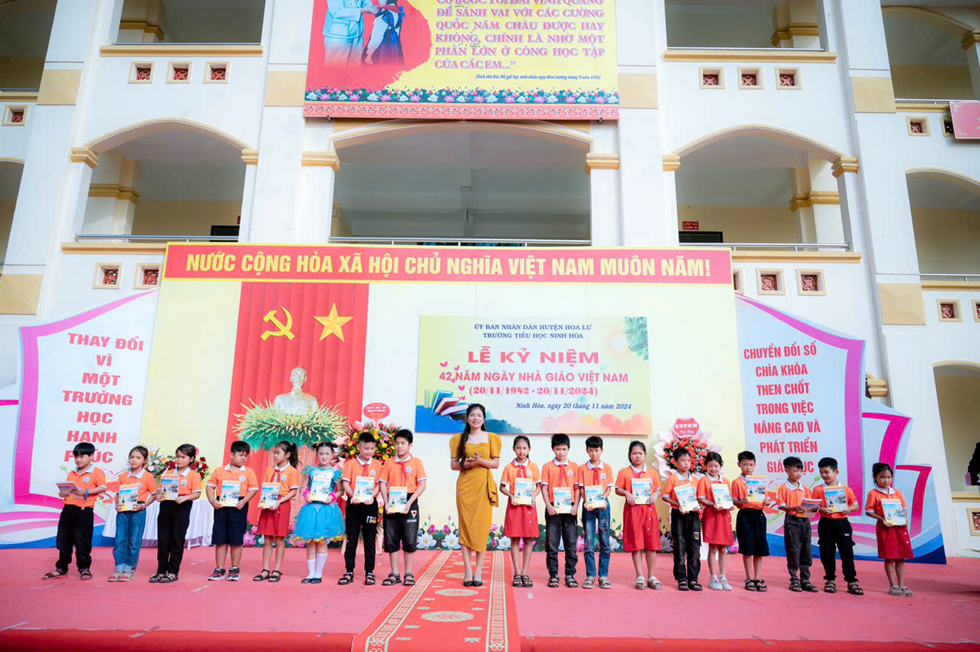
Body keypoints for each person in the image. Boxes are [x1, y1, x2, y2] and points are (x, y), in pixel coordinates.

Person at [449, 404, 501, 587]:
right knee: (465, 527)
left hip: (483, 486)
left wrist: (480, 461)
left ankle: (478, 570)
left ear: (484, 418)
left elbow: (495, 463)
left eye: (479, 415)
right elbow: (454, 465)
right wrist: (467, 464)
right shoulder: (458, 439)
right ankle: (468, 570)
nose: (476, 418)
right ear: (467, 418)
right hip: (465, 487)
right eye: (472, 415)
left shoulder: (492, 438)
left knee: (481, 527)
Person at [42, 442, 107, 581]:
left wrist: (86, 492)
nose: (78, 460)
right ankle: (61, 567)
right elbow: (69, 491)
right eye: (76, 456)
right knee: (63, 540)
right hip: (68, 510)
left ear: (91, 456)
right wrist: (63, 494)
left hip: (84, 512)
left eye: (82, 456)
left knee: (82, 541)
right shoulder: (72, 473)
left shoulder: (96, 472)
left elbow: (102, 487)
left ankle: (84, 568)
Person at [206, 441, 259, 581]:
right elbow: (210, 486)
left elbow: (253, 489)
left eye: (245, 455)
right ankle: (219, 568)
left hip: (238, 506)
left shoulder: (249, 472)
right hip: (221, 506)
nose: (243, 458)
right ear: (231, 455)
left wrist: (244, 501)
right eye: (240, 455)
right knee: (220, 538)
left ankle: (235, 568)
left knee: (236, 538)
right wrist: (212, 500)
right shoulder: (219, 471)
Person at [379, 429, 427, 587]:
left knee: (409, 537)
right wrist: (386, 502)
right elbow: (382, 483)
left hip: (409, 501)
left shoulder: (417, 463)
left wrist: (410, 502)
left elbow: (422, 485)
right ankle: (394, 573)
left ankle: (409, 573)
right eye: (397, 443)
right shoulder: (388, 462)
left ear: (410, 445)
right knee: (391, 537)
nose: (399, 446)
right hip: (392, 501)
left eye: (403, 443)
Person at [294, 442, 345, 585]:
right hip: (311, 509)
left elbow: (341, 491)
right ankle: (310, 573)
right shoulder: (311, 471)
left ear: (332, 455)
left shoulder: (335, 473)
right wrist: (306, 495)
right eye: (321, 454)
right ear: (316, 454)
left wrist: (332, 497)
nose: (324, 457)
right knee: (311, 541)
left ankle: (318, 573)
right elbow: (302, 487)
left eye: (327, 454)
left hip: (326, 510)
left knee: (322, 541)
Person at [811, 456, 862, 595]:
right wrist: (821, 510)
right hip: (826, 523)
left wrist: (848, 509)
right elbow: (813, 507)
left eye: (827, 472)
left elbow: (855, 505)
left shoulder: (846, 490)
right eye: (821, 472)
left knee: (847, 552)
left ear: (836, 472)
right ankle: (830, 580)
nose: (824, 475)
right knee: (827, 552)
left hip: (842, 523)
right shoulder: (818, 489)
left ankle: (851, 581)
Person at [615, 440, 662, 590]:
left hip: (649, 511)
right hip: (633, 511)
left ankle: (652, 576)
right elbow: (617, 489)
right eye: (634, 453)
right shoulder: (624, 472)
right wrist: (626, 493)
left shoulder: (652, 472)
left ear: (645, 455)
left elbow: (658, 489)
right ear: (629, 455)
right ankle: (640, 575)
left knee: (651, 544)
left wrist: (655, 495)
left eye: (640, 453)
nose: (637, 456)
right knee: (636, 544)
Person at [151, 443, 201, 583]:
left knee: (177, 539)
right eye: (177, 456)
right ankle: (161, 570)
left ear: (191, 459)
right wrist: (159, 496)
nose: (179, 460)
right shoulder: (168, 473)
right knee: (163, 538)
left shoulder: (194, 475)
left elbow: (197, 493)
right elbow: (160, 490)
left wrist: (185, 497)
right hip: (166, 506)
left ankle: (173, 571)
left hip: (182, 506)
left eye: (183, 457)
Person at [339, 432, 384, 586]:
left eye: (372, 448)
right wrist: (353, 496)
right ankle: (349, 571)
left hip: (370, 505)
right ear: (358, 447)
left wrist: (372, 496)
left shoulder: (377, 464)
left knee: (370, 538)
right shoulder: (350, 464)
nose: (369, 451)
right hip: (354, 504)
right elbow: (345, 483)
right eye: (366, 448)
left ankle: (369, 572)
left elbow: (379, 485)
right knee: (351, 538)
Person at [865, 462, 914, 597]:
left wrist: (902, 518)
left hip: (900, 528)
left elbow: (904, 509)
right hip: (885, 528)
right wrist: (882, 519)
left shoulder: (897, 493)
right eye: (882, 477)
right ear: (874, 477)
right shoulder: (873, 494)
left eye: (889, 477)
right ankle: (893, 585)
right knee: (890, 557)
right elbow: (869, 511)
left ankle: (902, 585)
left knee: (900, 557)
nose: (886, 480)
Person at [254, 441, 300, 583]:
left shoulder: (292, 471)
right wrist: (262, 502)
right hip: (269, 504)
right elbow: (266, 488)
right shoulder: (270, 470)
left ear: (287, 455)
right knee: (267, 538)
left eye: (278, 453)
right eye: (274, 453)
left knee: (279, 539)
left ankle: (277, 569)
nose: (275, 455)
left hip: (282, 505)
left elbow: (293, 492)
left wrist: (279, 502)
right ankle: (265, 569)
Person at [499, 435, 541, 588]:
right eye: (518, 448)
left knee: (529, 539)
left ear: (529, 449)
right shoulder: (509, 467)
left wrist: (533, 496)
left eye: (524, 448)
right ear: (513, 449)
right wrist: (510, 496)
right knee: (515, 539)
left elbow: (539, 486)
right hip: (514, 507)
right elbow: (502, 487)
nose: (521, 451)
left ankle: (525, 572)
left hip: (529, 507)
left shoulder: (533, 467)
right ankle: (517, 572)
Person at [110, 445, 157, 582]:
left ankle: (129, 570)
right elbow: (118, 494)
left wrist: (143, 506)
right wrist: (117, 505)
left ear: (145, 460)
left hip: (138, 512)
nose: (134, 460)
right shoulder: (123, 476)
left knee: (134, 541)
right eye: (132, 457)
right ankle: (119, 569)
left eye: (138, 458)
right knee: (120, 540)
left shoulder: (148, 477)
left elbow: (154, 494)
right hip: (123, 512)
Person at [540, 433, 579, 588]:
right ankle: (553, 575)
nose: (561, 452)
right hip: (553, 508)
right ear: (553, 449)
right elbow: (544, 488)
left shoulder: (574, 467)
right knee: (552, 543)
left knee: (571, 543)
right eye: (558, 449)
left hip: (570, 509)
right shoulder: (547, 467)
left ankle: (570, 574)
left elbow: (577, 488)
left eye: (564, 449)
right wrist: (548, 505)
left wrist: (576, 506)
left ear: (568, 449)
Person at [576, 435, 614, 590]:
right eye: (591, 450)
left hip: (604, 506)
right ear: (587, 451)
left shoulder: (607, 468)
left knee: (605, 539)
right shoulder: (582, 469)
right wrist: (588, 502)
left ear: (602, 450)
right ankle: (590, 575)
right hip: (588, 507)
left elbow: (609, 488)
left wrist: (601, 500)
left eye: (596, 450)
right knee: (589, 540)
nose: (594, 454)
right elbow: (581, 489)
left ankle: (603, 576)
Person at [662, 448, 703, 591]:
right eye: (683, 461)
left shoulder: (696, 480)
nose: (686, 463)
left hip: (693, 515)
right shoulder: (673, 479)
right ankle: (682, 578)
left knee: (695, 547)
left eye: (688, 461)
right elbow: (665, 496)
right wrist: (678, 504)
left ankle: (693, 579)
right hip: (678, 514)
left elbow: (700, 498)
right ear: (675, 462)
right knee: (679, 546)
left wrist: (698, 506)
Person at [777, 456, 818, 592]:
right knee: (793, 550)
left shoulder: (805, 489)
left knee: (806, 550)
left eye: (800, 471)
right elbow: (781, 505)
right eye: (795, 471)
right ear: (787, 470)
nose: (798, 474)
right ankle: (794, 579)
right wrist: (793, 508)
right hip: (792, 521)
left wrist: (813, 508)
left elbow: (810, 504)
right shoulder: (784, 488)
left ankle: (805, 579)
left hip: (805, 521)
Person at [731, 451, 770, 592]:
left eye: (751, 464)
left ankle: (757, 578)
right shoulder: (736, 482)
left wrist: (766, 501)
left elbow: (766, 498)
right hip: (745, 516)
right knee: (747, 548)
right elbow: (733, 500)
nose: (748, 467)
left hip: (759, 515)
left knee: (759, 548)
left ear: (755, 465)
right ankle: (749, 578)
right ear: (739, 465)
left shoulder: (758, 481)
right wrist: (740, 501)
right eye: (745, 464)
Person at [697, 451, 734, 591]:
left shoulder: (725, 481)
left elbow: (728, 499)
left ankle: (723, 577)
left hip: (724, 516)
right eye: (710, 466)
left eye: (716, 466)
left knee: (723, 549)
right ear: (706, 466)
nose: (713, 469)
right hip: (712, 516)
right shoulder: (703, 480)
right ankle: (713, 578)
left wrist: (729, 505)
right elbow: (701, 498)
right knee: (713, 548)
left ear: (720, 466)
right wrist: (713, 504)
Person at [323, 0, 380, 66]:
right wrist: (363, 10)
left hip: (357, 34)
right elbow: (337, 11)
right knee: (335, 66)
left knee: (355, 66)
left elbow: (366, 3)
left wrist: (373, 8)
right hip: (339, 36)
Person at [364, 0, 405, 65]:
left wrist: (369, 54)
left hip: (383, 46)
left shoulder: (384, 13)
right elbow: (398, 31)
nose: (379, 1)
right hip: (394, 45)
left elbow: (377, 36)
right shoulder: (397, 11)